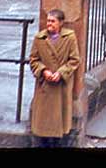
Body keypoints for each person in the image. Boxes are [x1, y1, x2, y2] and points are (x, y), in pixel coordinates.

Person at [29, 8, 81, 147]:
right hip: (45, 85)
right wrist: (43, 70)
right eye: (48, 21)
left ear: (61, 23)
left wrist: (61, 73)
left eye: (53, 21)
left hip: (60, 85)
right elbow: (33, 59)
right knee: (44, 121)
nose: (49, 24)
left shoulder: (69, 38)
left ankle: (57, 143)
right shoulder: (39, 38)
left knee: (58, 121)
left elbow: (74, 59)